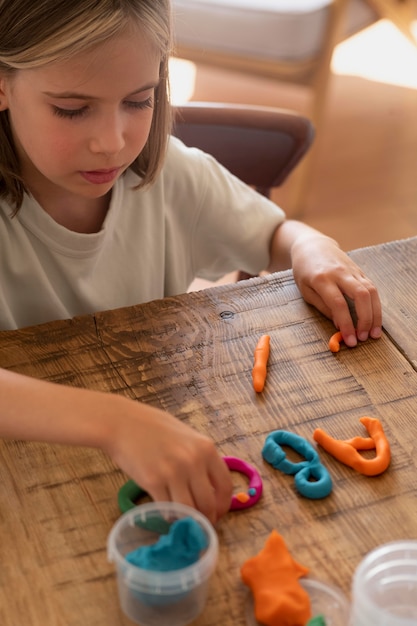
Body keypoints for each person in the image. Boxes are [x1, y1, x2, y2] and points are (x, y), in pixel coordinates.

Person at [0, 0, 382, 525]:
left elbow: (275, 233)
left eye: (139, 100)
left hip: (153, 452)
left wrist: (310, 247)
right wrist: (115, 423)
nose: (112, 143)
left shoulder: (171, 177)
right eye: (71, 109)